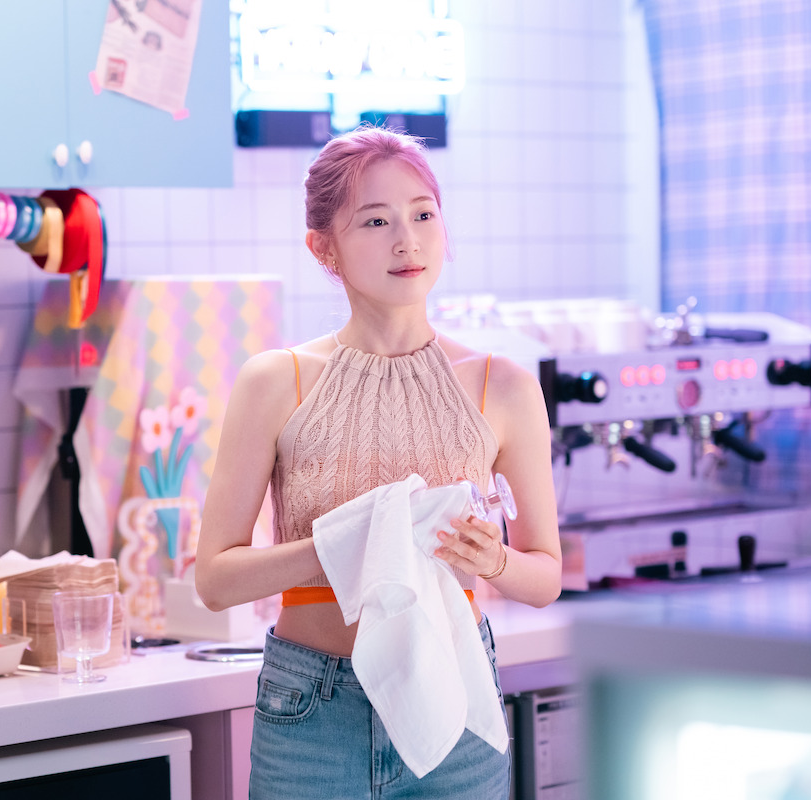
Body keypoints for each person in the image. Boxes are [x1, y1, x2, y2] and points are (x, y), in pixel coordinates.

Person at [195, 125, 562, 798]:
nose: (408, 240)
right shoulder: (276, 380)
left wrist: (495, 560)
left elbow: (545, 578)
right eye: (375, 220)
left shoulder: (502, 385)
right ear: (323, 248)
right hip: (310, 709)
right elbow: (215, 579)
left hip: (457, 703)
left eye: (424, 213)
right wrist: (350, 541)